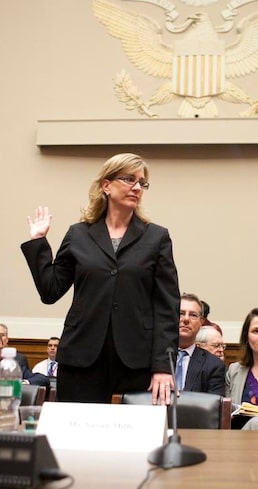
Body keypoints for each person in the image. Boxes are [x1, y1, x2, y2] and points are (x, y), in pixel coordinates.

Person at [21, 153, 180, 405]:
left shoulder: (157, 237)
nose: (137, 187)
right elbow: (50, 291)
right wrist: (38, 243)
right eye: (129, 179)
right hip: (81, 356)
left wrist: (163, 365)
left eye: (142, 182)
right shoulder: (78, 234)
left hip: (135, 360)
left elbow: (167, 306)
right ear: (106, 185)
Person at [174, 293, 224, 396]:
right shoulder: (155, 357)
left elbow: (213, 406)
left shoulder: (213, 365)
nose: (186, 319)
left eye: (193, 315)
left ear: (201, 322)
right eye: (181, 313)